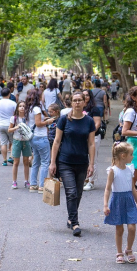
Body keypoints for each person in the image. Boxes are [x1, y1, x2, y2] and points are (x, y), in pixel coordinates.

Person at [48, 91, 96, 237]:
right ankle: (75, 223)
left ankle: (70, 218)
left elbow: (92, 144)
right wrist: (52, 163)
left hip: (82, 162)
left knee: (79, 193)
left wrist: (91, 164)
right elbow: (56, 141)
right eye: (74, 100)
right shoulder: (63, 120)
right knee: (71, 192)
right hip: (65, 162)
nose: (77, 103)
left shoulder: (89, 121)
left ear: (84, 102)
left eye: (79, 100)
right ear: (71, 103)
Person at [103, 142, 137, 264]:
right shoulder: (113, 171)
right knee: (119, 229)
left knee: (132, 227)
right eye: (131, 154)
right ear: (123, 156)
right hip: (117, 201)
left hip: (129, 200)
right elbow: (108, 188)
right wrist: (105, 205)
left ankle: (129, 249)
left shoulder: (130, 169)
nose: (133, 156)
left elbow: (133, 188)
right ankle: (119, 252)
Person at [29, 91, 55, 192]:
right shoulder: (37, 109)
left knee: (36, 161)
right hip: (41, 137)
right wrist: (47, 122)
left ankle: (33, 184)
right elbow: (38, 123)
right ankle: (42, 186)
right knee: (45, 162)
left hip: (33, 137)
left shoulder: (29, 108)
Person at [8, 101, 34, 189]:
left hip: (26, 140)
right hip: (17, 140)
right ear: (17, 108)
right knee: (16, 162)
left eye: (24, 106)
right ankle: (14, 181)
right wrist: (16, 127)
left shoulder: (28, 118)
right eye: (20, 106)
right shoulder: (14, 118)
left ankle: (26, 180)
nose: (22, 108)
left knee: (26, 161)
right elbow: (9, 130)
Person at [82, 90, 103, 191]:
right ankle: (85, 179)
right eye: (84, 95)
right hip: (81, 137)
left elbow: (97, 123)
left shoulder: (94, 109)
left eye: (87, 95)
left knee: (92, 159)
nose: (85, 97)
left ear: (90, 97)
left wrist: (90, 134)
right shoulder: (79, 108)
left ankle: (91, 181)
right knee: (83, 158)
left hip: (93, 137)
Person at [0, 87, 18, 166]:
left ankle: (4, 160)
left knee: (3, 143)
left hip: (1, 124)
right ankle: (11, 156)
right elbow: (15, 115)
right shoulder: (13, 103)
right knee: (13, 141)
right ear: (9, 94)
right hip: (10, 125)